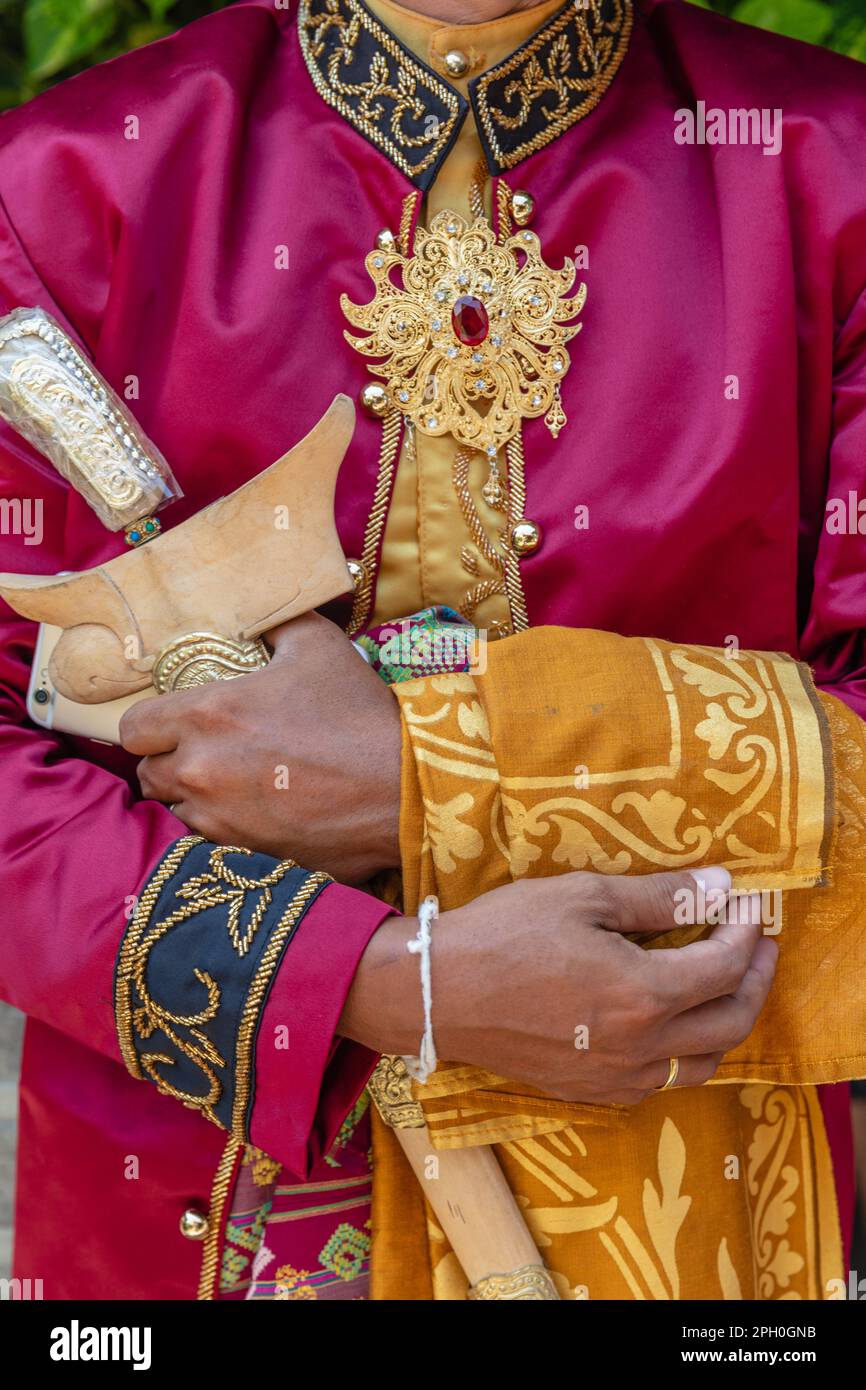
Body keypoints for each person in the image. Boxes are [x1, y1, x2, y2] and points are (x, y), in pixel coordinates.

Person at [0, 0, 864, 1300]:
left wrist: (425, 769)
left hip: (702, 1209)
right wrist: (365, 981)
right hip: (199, 1227)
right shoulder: (66, 187)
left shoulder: (830, 175)